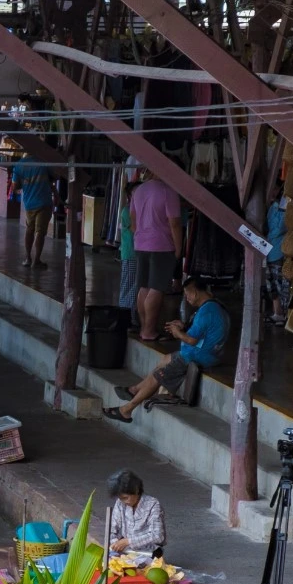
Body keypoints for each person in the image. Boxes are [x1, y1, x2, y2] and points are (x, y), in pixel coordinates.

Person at [106, 276, 228, 423]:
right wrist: (183, 326)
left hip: (197, 356)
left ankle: (126, 410)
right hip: (210, 354)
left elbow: (191, 340)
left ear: (194, 293)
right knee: (166, 359)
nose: (187, 298)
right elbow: (203, 333)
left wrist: (178, 333)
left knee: (159, 375)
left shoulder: (205, 312)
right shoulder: (215, 306)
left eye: (187, 294)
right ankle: (135, 389)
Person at [131, 166, 185, 342]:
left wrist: (139, 237)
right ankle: (149, 330)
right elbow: (175, 223)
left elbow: (133, 219)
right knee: (157, 288)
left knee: (144, 287)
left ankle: (144, 327)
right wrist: (179, 248)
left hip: (141, 243)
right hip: (161, 245)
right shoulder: (168, 192)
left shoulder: (138, 190)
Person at [104, 469, 166, 555]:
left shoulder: (153, 504)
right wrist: (115, 543)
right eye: (121, 498)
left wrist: (128, 541)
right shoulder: (120, 503)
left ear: (136, 490)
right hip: (126, 551)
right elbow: (112, 530)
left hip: (149, 552)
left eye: (126, 498)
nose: (123, 502)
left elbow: (158, 536)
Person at [10, 152, 53, 270]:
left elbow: (14, 187)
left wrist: (26, 183)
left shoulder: (18, 166)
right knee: (40, 232)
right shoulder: (42, 162)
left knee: (29, 230)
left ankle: (28, 258)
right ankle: (36, 260)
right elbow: (52, 179)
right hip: (44, 202)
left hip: (29, 203)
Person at [264, 195, 289, 325]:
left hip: (277, 250)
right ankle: (278, 312)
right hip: (272, 250)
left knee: (279, 283)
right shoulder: (274, 207)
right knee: (273, 284)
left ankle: (282, 313)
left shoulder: (283, 205)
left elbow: (279, 228)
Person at [116, 177, 139, 315]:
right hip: (131, 253)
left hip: (134, 252)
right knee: (129, 284)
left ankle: (130, 313)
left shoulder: (131, 210)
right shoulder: (128, 211)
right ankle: (126, 313)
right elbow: (134, 229)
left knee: (133, 284)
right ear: (130, 196)